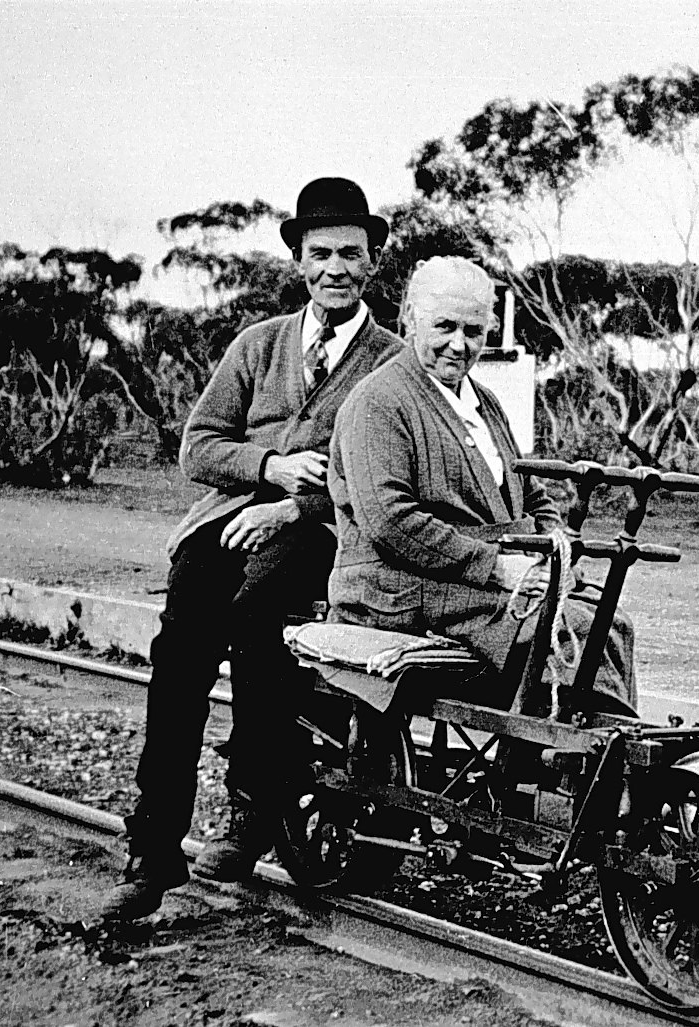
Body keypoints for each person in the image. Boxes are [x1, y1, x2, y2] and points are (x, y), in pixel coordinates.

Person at [101, 178, 405, 921]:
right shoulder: (258, 344)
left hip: (326, 533)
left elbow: (389, 477)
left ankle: (254, 805)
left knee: (260, 613)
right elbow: (198, 446)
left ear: (373, 263)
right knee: (180, 647)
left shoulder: (392, 361)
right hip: (229, 521)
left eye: (352, 254)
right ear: (300, 260)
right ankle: (154, 846)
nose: (336, 267)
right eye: (321, 253)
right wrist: (266, 469)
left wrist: (299, 500)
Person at [328, 256, 635, 713]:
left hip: (471, 586)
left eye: (473, 331)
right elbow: (389, 522)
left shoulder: (483, 401)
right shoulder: (378, 401)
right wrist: (499, 567)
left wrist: (555, 548)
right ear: (411, 318)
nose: (458, 345)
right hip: (400, 588)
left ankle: (590, 758)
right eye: (444, 327)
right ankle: (569, 761)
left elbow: (529, 491)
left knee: (610, 620)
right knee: (570, 625)